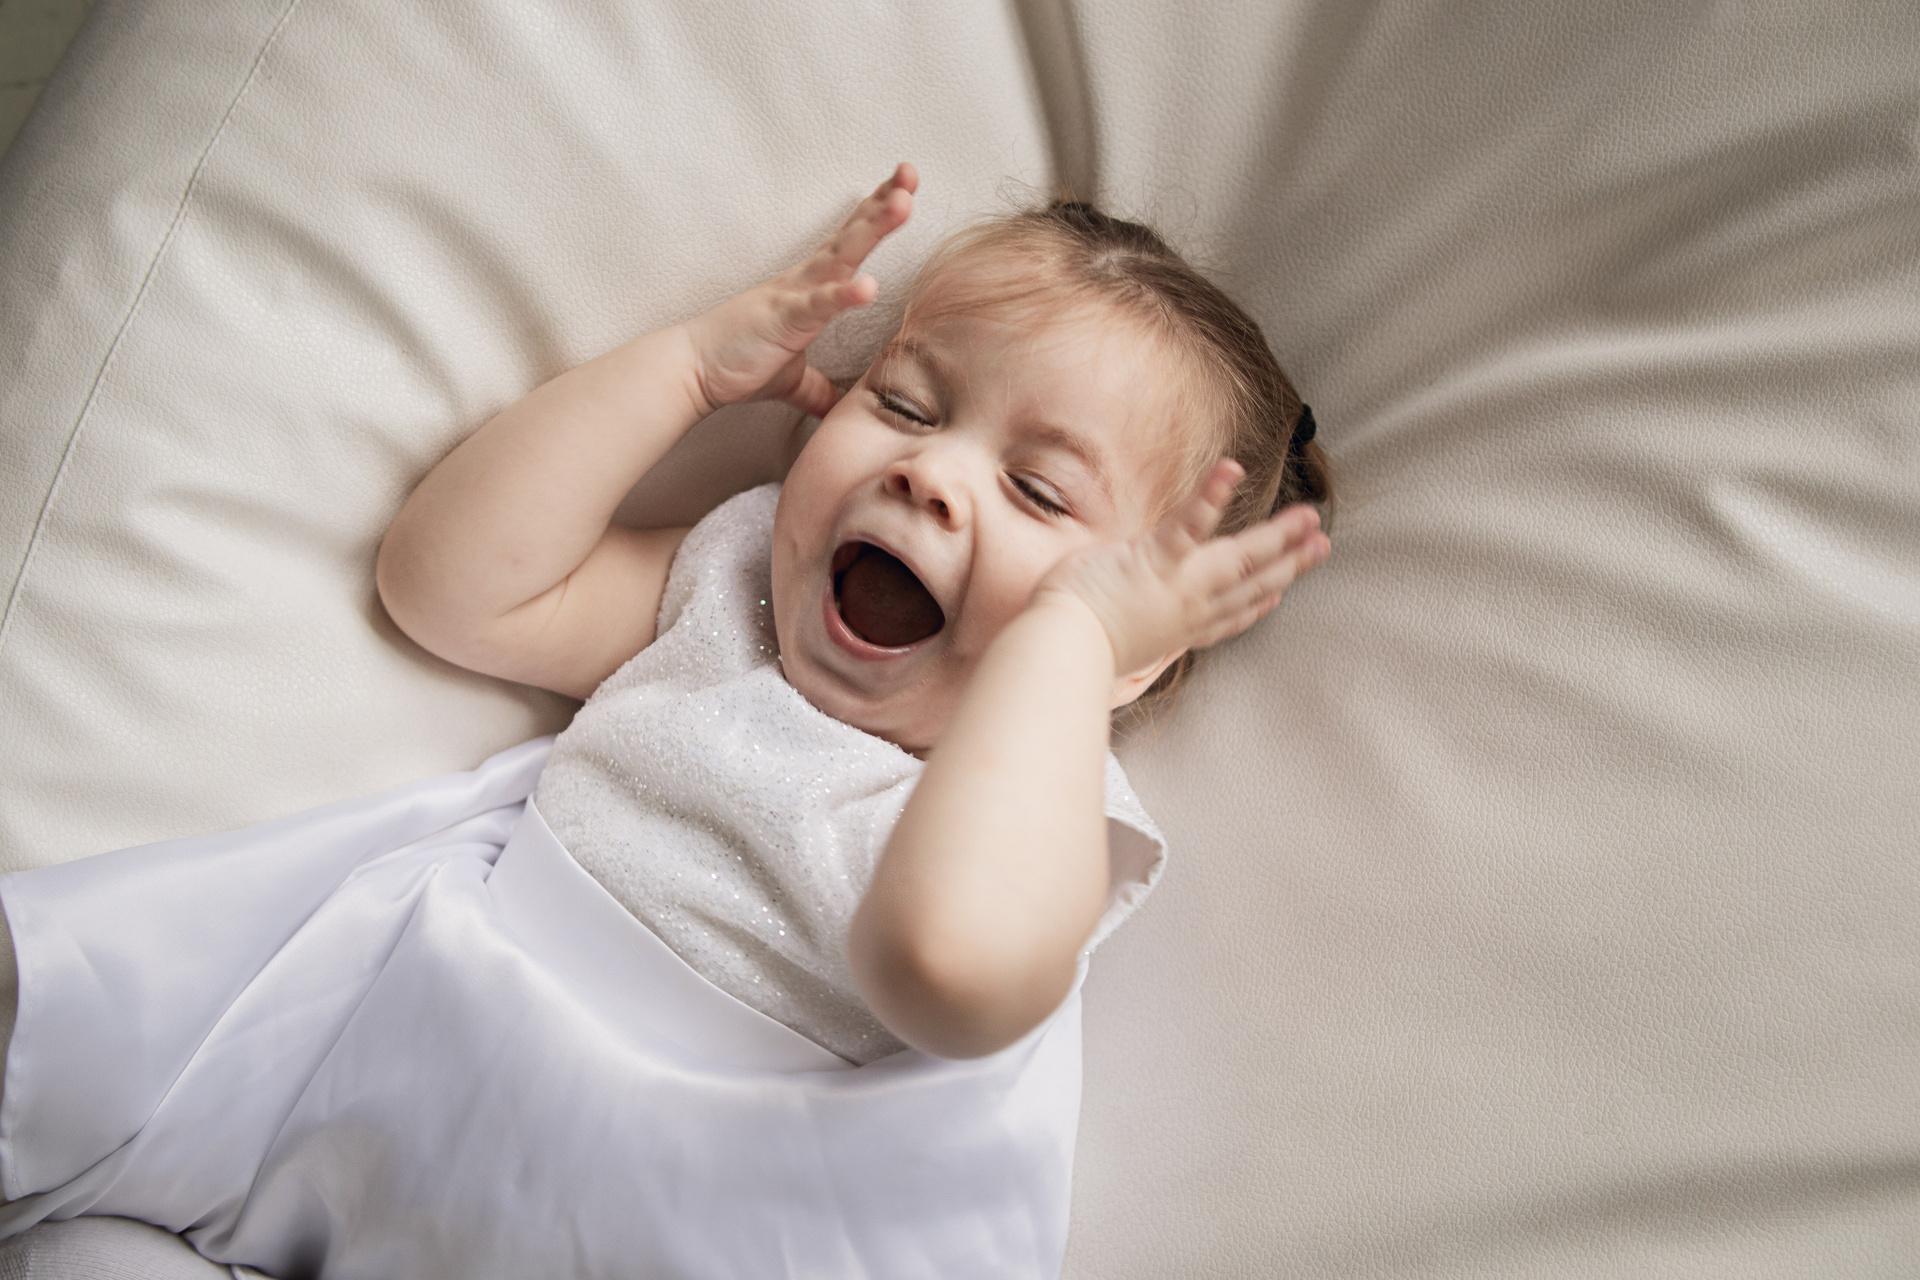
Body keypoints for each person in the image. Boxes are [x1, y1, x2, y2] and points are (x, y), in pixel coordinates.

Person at [0, 163, 1331, 1275]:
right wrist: (686, 373)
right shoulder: (732, 591)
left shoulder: (1044, 814)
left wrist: (1062, 652)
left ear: (1134, 658)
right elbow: (449, 589)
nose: (930, 472)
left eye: (1039, 493)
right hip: (388, 1080)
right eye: (904, 404)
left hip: (676, 1212)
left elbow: (943, 961)